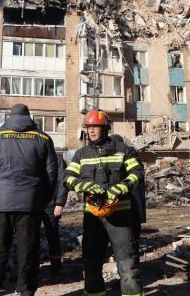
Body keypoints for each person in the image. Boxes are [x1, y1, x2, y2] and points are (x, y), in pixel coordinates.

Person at [0, 104, 58, 296]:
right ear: (29, 116)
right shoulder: (43, 138)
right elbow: (52, 174)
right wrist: (42, 199)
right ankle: (26, 290)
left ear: (9, 117)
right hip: (30, 203)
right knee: (28, 250)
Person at [63, 109, 145, 296]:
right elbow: (67, 178)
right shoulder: (81, 154)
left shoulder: (123, 150)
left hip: (120, 216)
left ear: (105, 128)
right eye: (89, 127)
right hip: (92, 216)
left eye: (96, 127)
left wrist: (122, 187)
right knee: (91, 261)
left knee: (127, 261)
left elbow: (137, 173)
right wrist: (83, 185)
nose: (91, 131)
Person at [41, 154, 68, 277]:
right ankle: (32, 268)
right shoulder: (32, 154)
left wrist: (59, 203)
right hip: (33, 204)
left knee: (52, 235)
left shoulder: (58, 159)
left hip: (51, 205)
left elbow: (63, 181)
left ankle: (56, 268)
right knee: (31, 237)